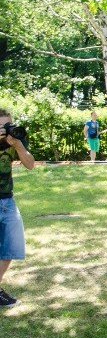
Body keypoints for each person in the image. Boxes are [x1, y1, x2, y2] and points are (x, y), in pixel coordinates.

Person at [0, 108, 35, 307]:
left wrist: (19, 146)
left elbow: (30, 164)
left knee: (11, 247)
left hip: (7, 200)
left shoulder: (14, 140)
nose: (6, 130)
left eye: (8, 125)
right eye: (1, 127)